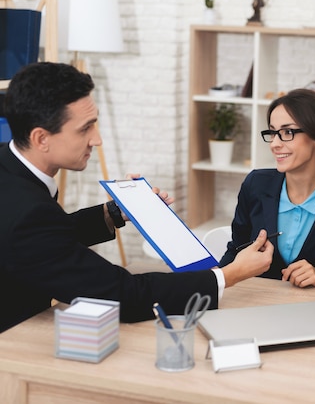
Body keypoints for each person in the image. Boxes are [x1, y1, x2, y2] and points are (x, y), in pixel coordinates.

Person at [0, 62, 274, 333]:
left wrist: (114, 213)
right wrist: (230, 274)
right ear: (41, 138)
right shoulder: (28, 212)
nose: (97, 140)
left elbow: (47, 243)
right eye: (85, 129)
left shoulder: (11, 168)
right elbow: (122, 295)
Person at [219, 89, 315, 287]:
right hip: (254, 304)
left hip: (312, 312)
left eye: (287, 132)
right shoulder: (255, 185)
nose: (275, 144)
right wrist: (212, 283)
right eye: (273, 132)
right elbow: (236, 250)